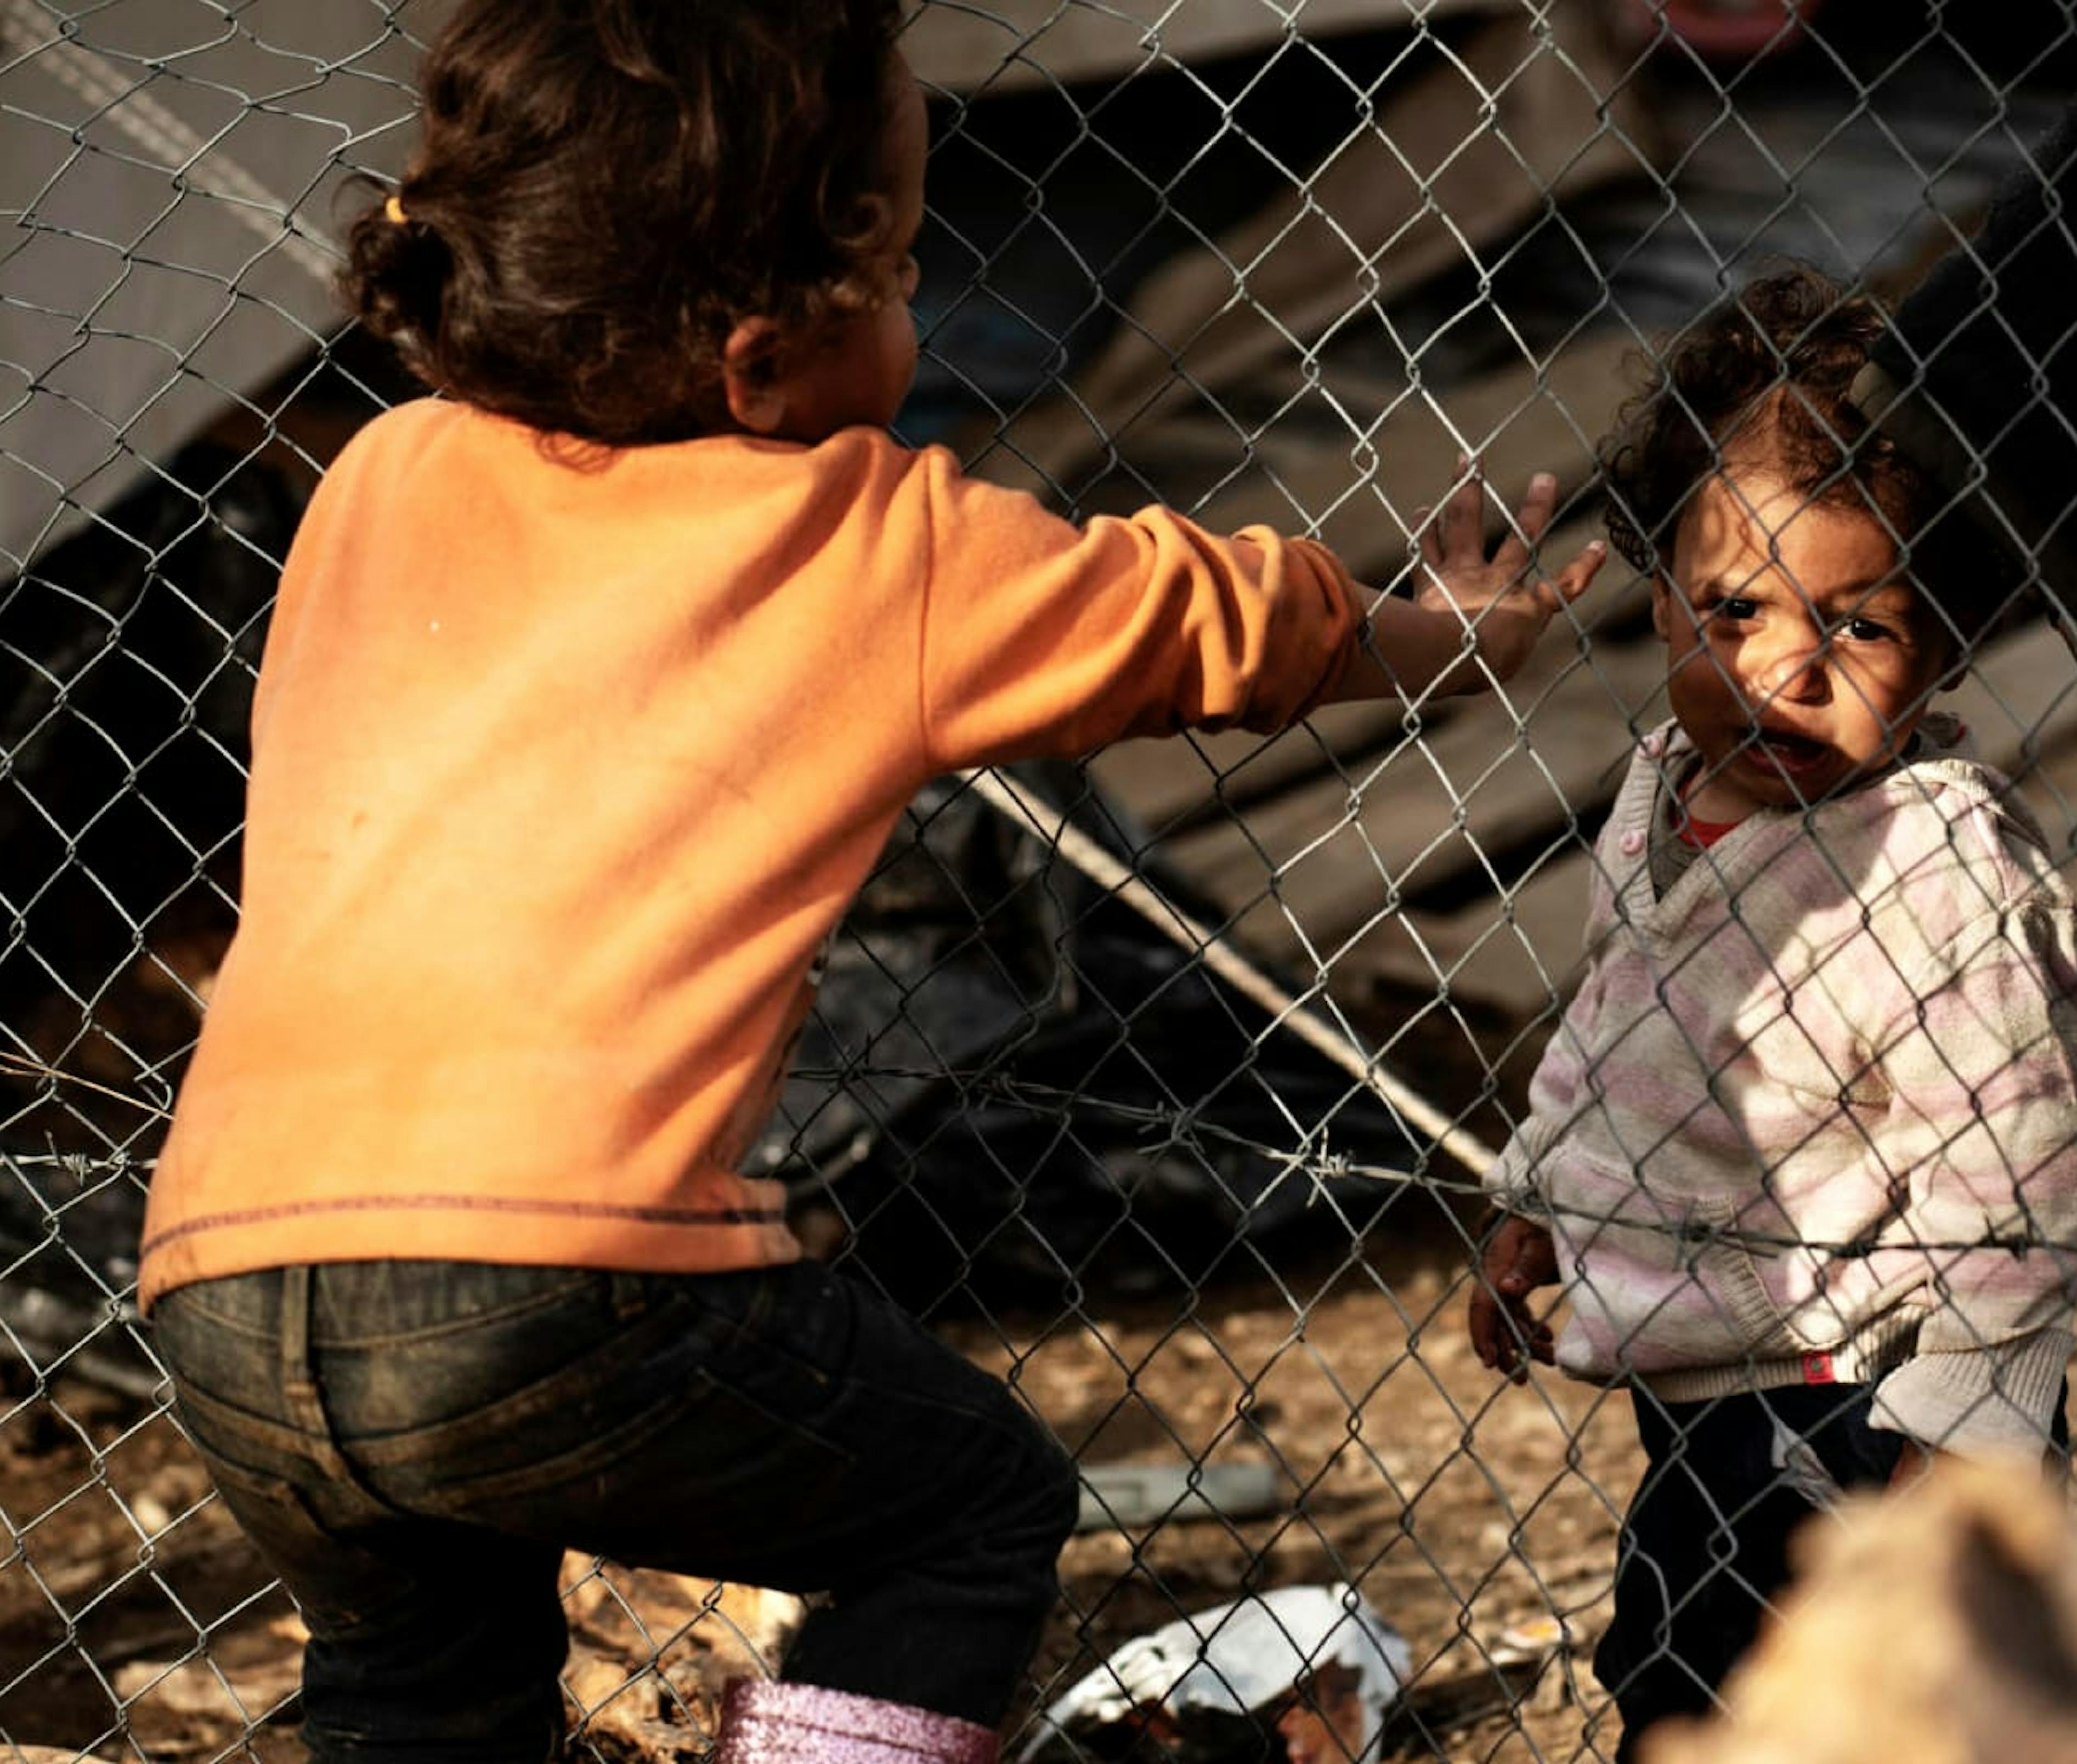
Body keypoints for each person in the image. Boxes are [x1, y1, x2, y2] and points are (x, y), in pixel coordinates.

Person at [135, 4, 1606, 1761]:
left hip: (220, 1280)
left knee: (421, 1692)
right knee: (964, 1506)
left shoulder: (375, 477)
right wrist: (1428, 639)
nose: (927, 308)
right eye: (904, 265)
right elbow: (1175, 613)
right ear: (758, 365)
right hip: (554, 1280)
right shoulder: (870, 542)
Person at [1463, 266, 2077, 1762]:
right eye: (1733, 610)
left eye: (1858, 626)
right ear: (1657, 594)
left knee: (1831, 1709)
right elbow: (1615, 1033)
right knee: (1680, 1660)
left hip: (1871, 1395)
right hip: (1722, 1380)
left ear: (1951, 643)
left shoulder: (1931, 867)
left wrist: (1960, 1439)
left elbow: (2028, 1177)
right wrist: (1542, 1207)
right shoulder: (1663, 792)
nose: (1784, 669)